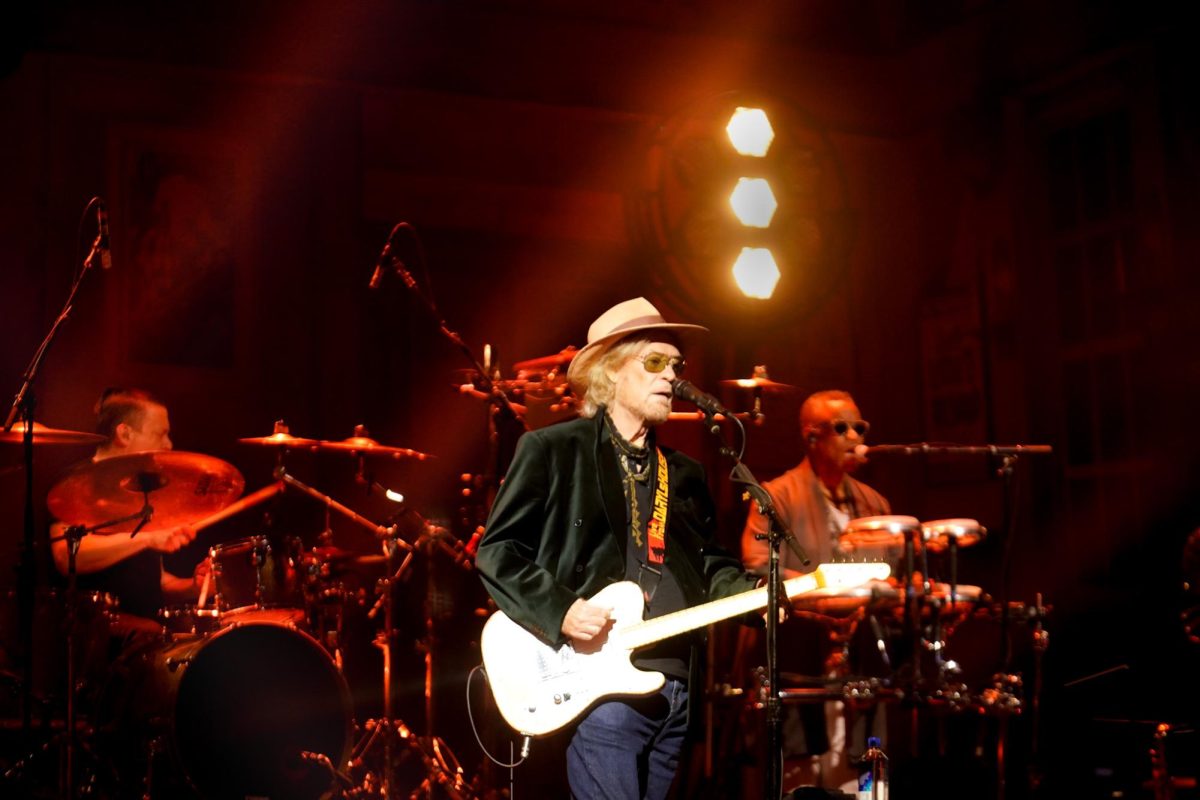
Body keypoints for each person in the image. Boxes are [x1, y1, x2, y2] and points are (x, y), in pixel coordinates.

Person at [475, 297, 759, 800]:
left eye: (677, 366)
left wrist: (760, 595)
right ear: (610, 372)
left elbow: (711, 567)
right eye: (654, 362)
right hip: (601, 687)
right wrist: (561, 609)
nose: (670, 376)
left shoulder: (687, 474)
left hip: (676, 687)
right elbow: (497, 552)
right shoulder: (552, 450)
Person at [740, 389, 894, 793]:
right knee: (802, 777)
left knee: (864, 777)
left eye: (859, 427)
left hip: (861, 660)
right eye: (841, 428)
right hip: (800, 656)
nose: (854, 436)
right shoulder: (775, 496)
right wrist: (824, 593)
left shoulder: (875, 503)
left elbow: (896, 576)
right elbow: (756, 565)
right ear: (811, 437)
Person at [49, 388, 206, 626]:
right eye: (160, 434)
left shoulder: (144, 492)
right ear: (124, 434)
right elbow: (66, 555)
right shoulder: (75, 485)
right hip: (96, 641)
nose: (169, 444)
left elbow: (157, 583)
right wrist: (148, 538)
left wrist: (194, 587)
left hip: (145, 639)